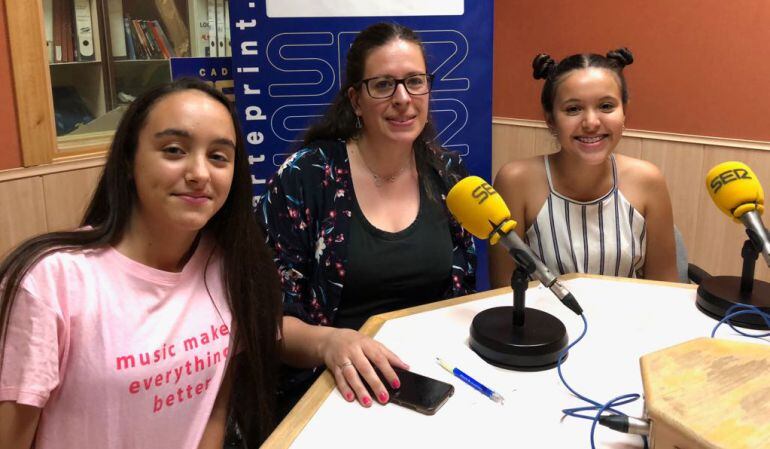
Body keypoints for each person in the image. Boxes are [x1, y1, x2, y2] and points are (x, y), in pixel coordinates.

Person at [0, 78, 282, 448]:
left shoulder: (234, 268)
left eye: (218, 156)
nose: (199, 174)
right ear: (129, 161)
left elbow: (213, 411)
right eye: (174, 150)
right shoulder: (49, 281)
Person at [258, 22, 476, 411]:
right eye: (383, 85)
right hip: (331, 389)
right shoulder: (306, 176)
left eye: (415, 81)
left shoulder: (448, 174)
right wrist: (329, 342)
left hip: (429, 383)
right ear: (356, 100)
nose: (403, 98)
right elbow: (266, 321)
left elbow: (460, 293)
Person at [490, 48, 679, 288]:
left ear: (624, 112)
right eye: (573, 109)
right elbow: (503, 293)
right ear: (550, 119)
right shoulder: (516, 182)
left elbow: (665, 290)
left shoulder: (648, 180)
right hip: (545, 324)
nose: (591, 122)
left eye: (606, 106)